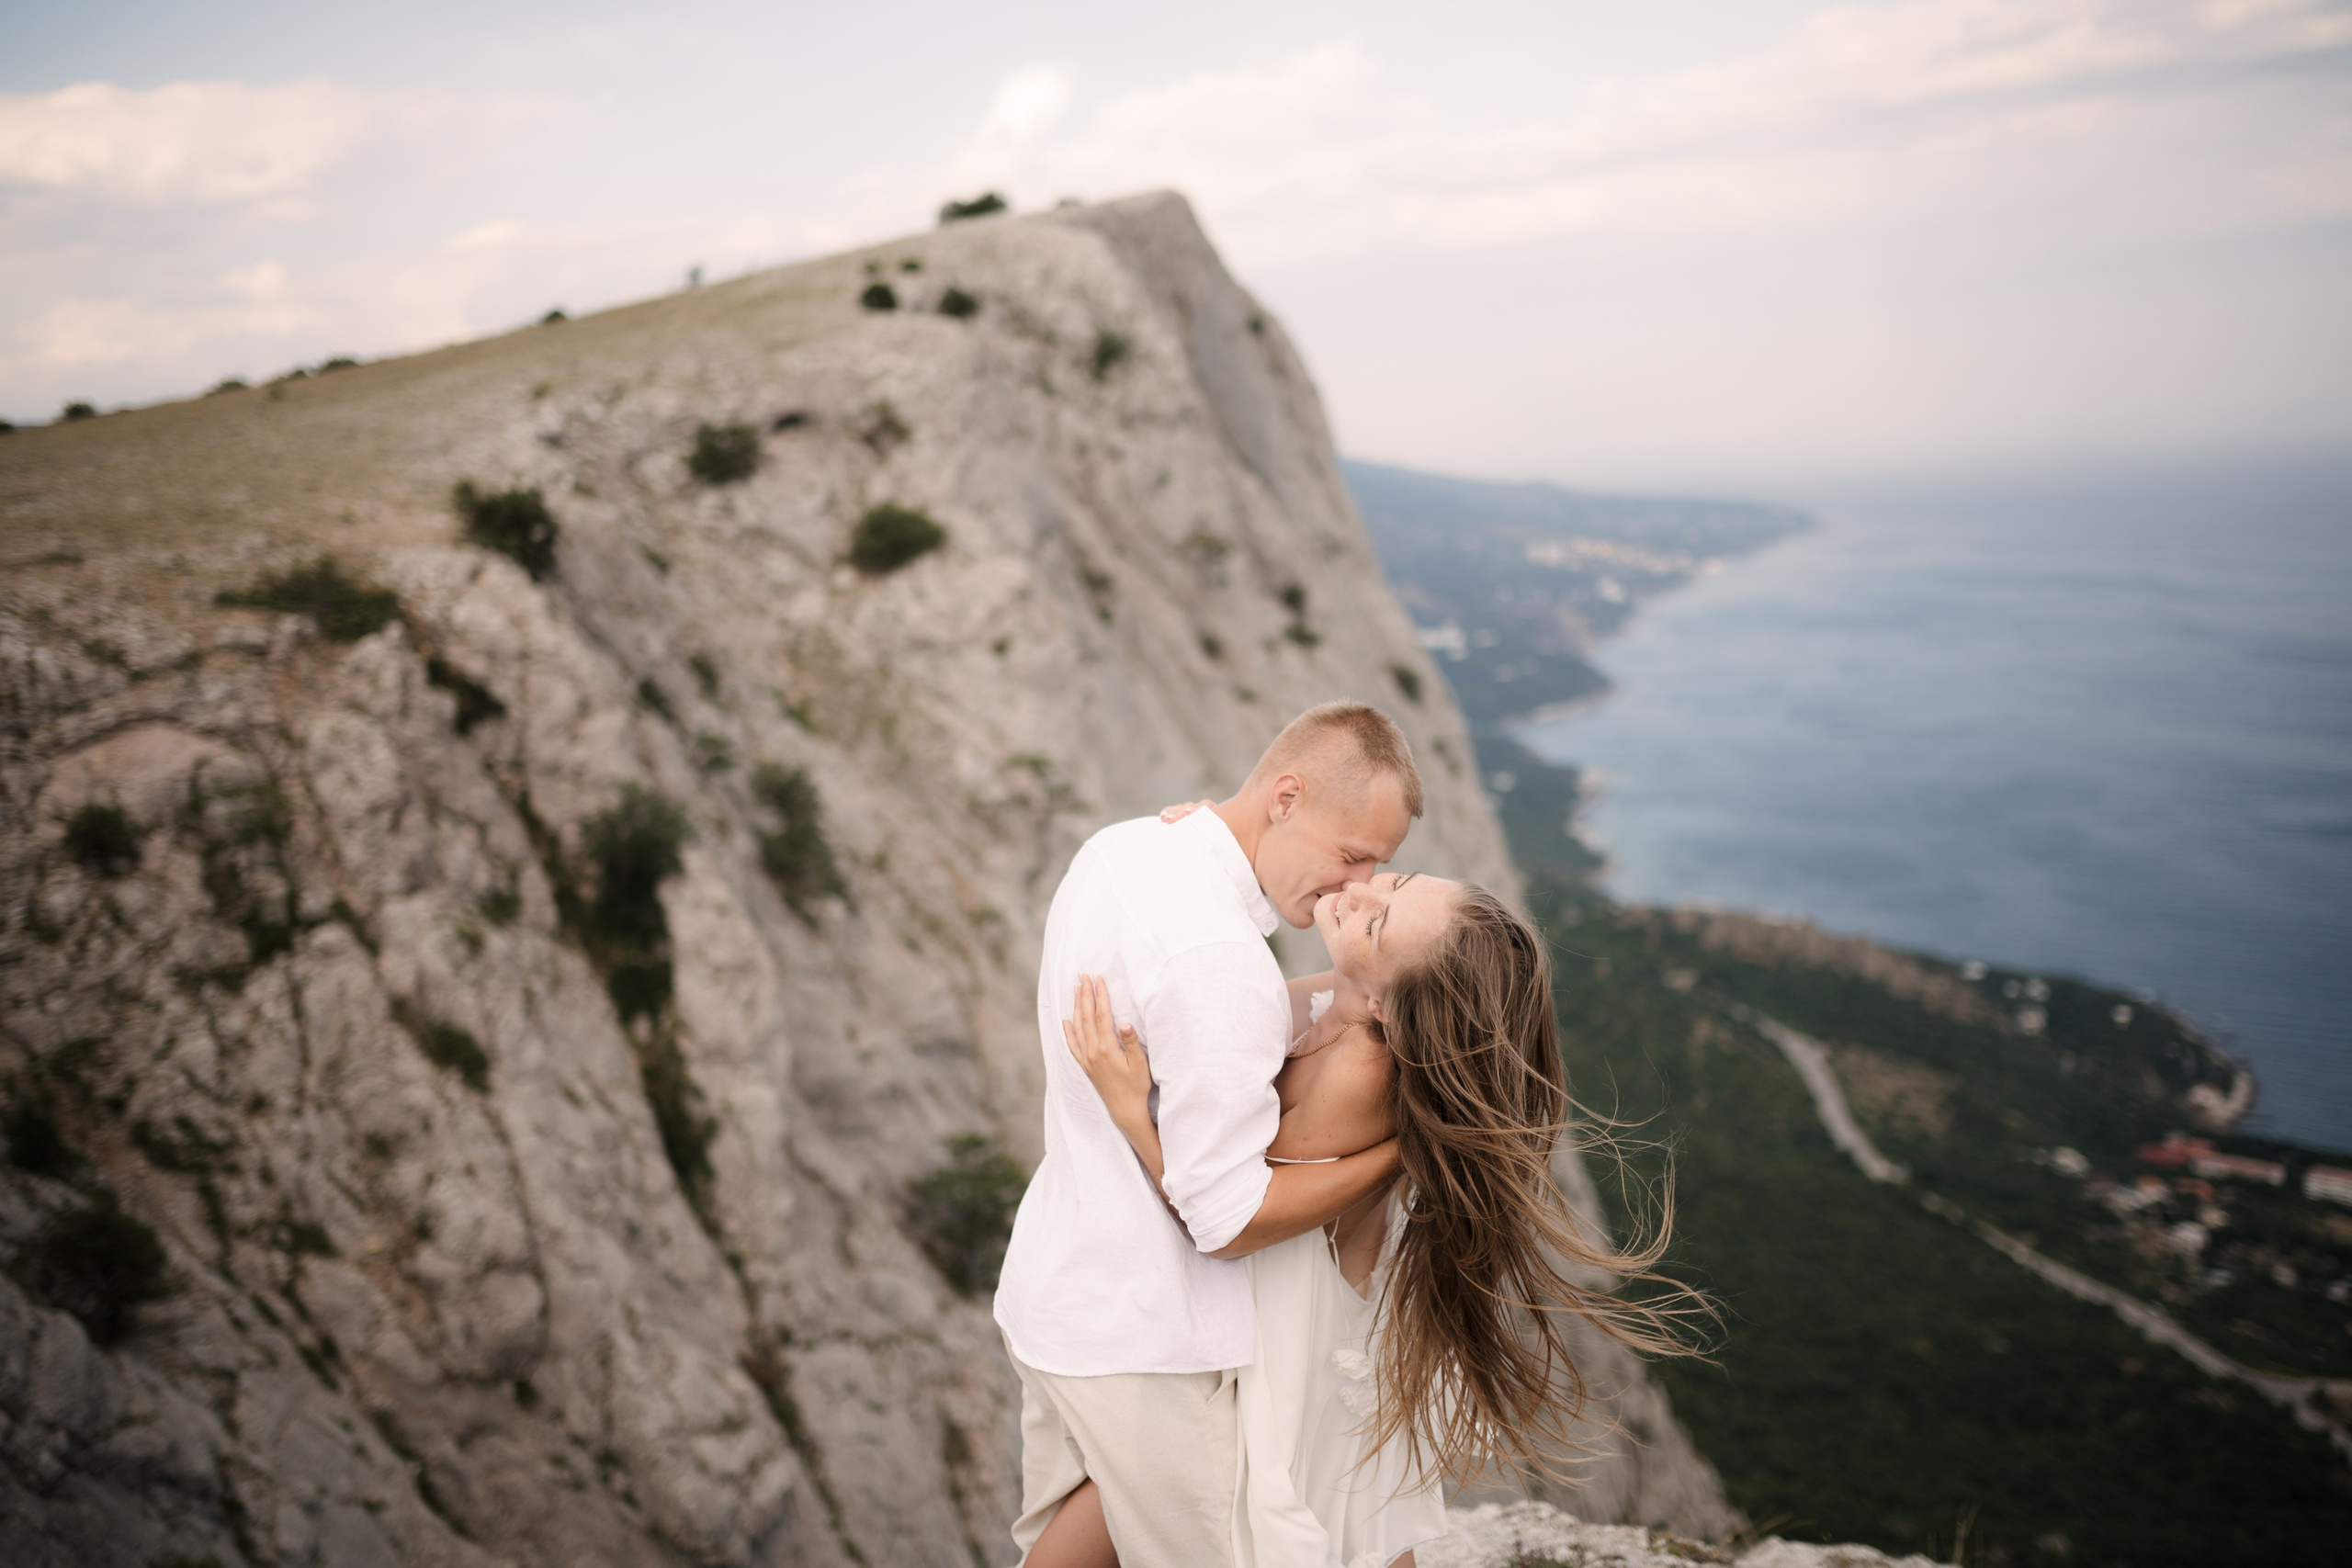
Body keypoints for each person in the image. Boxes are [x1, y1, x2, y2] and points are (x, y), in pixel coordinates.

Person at [1061, 838, 1706, 1567]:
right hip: (1268, 1335)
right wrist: (1208, 836)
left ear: (1385, 1008)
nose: (1359, 895)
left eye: (1376, 924)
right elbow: (1236, 1001)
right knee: (1345, 1530)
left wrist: (1127, 1110)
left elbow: (1220, 1216)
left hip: (1274, 1361)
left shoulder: (1359, 1075)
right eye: (1394, 880)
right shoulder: (1343, 1007)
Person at [993, 703, 1427, 1568]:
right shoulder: (1218, 958)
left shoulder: (1119, 847)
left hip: (1065, 1282)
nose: (1357, 883)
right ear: (1286, 797)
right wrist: (1399, 1156)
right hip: (1152, 1337)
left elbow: (1252, 1018)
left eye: (1382, 865)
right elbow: (1225, 1220)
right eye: (1352, 854)